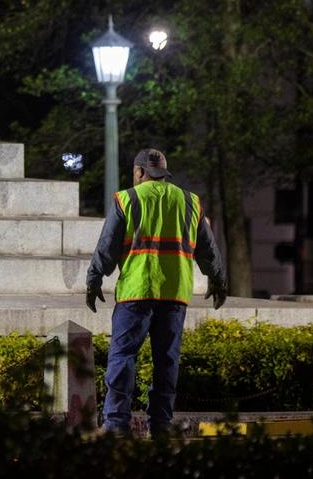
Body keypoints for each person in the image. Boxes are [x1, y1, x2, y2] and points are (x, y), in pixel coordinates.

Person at [85, 148, 228, 436]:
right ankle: (160, 425)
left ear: (139, 172)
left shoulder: (128, 198)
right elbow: (208, 249)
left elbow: (108, 244)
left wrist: (94, 278)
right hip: (174, 295)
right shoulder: (190, 202)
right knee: (166, 362)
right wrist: (218, 280)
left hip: (136, 293)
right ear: (163, 173)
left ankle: (116, 425)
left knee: (123, 358)